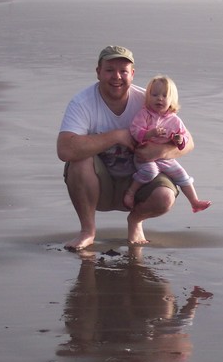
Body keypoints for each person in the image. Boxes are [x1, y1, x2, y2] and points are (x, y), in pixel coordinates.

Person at [57, 46, 195, 251]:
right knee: (79, 159)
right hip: (98, 184)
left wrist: (160, 152)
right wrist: (117, 136)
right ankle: (87, 231)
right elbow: (65, 150)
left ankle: (136, 221)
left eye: (123, 71)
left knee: (165, 197)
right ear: (98, 72)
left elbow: (189, 142)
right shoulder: (82, 102)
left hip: (140, 177)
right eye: (110, 70)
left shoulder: (147, 100)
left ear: (133, 74)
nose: (117, 77)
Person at [124, 75, 211, 213]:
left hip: (165, 158)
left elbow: (184, 137)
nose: (159, 98)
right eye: (154, 95)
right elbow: (135, 130)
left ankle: (194, 202)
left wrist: (179, 140)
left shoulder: (174, 120)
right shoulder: (144, 114)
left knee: (182, 175)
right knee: (150, 171)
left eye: (165, 95)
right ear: (148, 97)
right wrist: (149, 134)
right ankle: (131, 192)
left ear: (172, 100)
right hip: (144, 156)